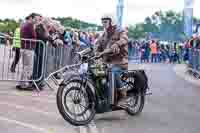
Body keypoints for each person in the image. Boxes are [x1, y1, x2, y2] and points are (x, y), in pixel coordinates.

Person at [95, 13, 128, 108]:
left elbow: (124, 39)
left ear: (111, 22)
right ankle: (102, 97)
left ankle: (123, 97)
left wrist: (117, 44)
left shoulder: (120, 31)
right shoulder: (104, 35)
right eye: (102, 22)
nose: (103, 24)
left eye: (105, 22)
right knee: (96, 72)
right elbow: (98, 45)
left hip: (120, 62)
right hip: (107, 63)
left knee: (112, 72)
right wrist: (95, 51)